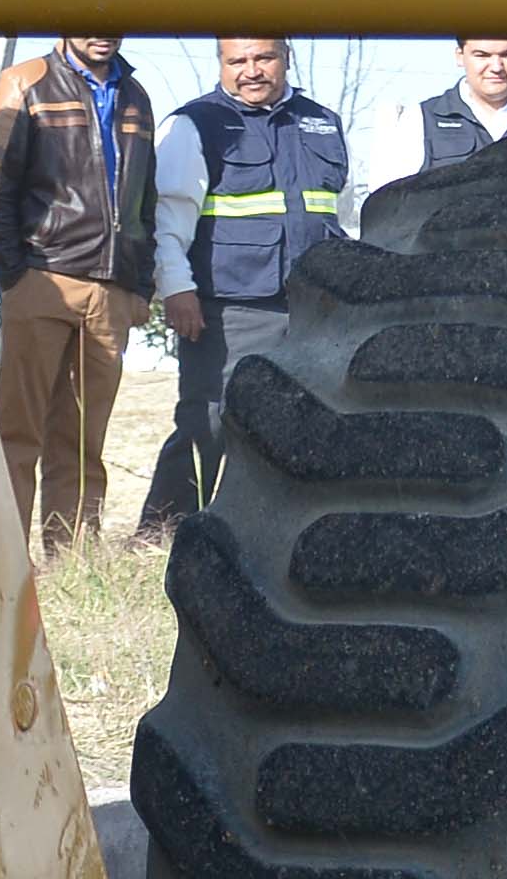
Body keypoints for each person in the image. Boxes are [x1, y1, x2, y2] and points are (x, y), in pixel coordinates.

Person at [135, 37, 352, 537]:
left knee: (296, 424)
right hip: (229, 305)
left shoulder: (321, 122)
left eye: (263, 58)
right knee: (208, 421)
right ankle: (164, 530)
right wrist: (176, 289)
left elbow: (337, 214)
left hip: (312, 307)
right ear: (222, 64)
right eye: (237, 61)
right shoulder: (194, 124)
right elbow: (169, 219)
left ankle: (267, 531)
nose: (251, 71)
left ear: (285, 58)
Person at [0, 31, 159, 554]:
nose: (101, 30)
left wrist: (139, 284)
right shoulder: (24, 82)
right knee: (17, 433)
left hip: (111, 290)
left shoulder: (136, 96)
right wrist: (13, 274)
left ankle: (71, 562)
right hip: (42, 277)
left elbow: (144, 199)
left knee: (81, 439)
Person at [350, 33, 507, 214]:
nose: (496, 66)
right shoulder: (419, 120)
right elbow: (388, 210)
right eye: (481, 55)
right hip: (449, 261)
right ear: (460, 56)